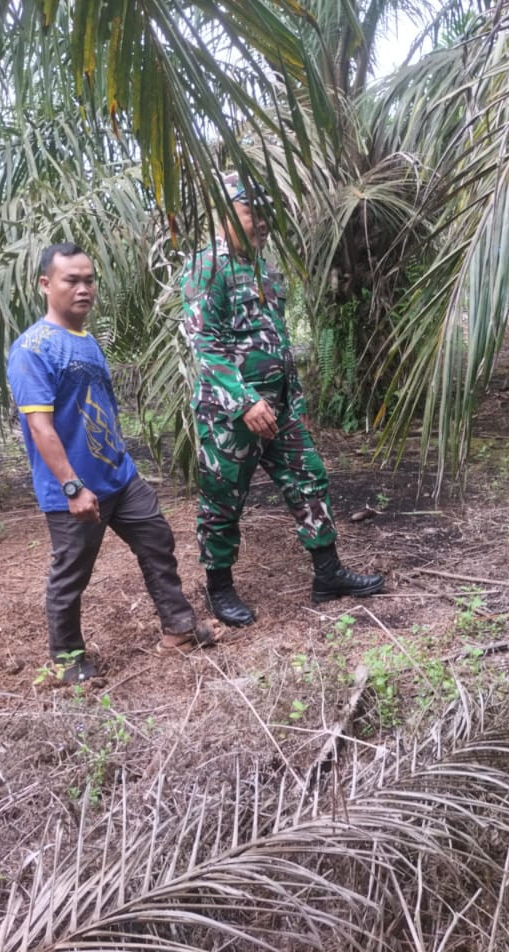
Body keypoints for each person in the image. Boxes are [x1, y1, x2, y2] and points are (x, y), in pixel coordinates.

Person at [179, 173, 384, 627]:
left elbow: (279, 342)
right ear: (224, 213)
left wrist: (296, 404)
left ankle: (327, 574)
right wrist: (244, 401)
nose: (263, 221)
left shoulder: (264, 269)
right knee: (223, 498)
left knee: (310, 476)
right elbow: (205, 345)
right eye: (252, 210)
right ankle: (219, 587)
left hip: (280, 409)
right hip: (229, 414)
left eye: (266, 212)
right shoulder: (206, 267)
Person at [8, 242, 213, 681]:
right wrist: (71, 487)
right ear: (46, 284)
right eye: (71, 280)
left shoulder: (86, 341)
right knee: (71, 575)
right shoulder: (32, 348)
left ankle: (179, 628)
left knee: (156, 540)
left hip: (119, 477)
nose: (84, 289)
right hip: (75, 488)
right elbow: (41, 429)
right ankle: (67, 661)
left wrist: (122, 463)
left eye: (89, 279)